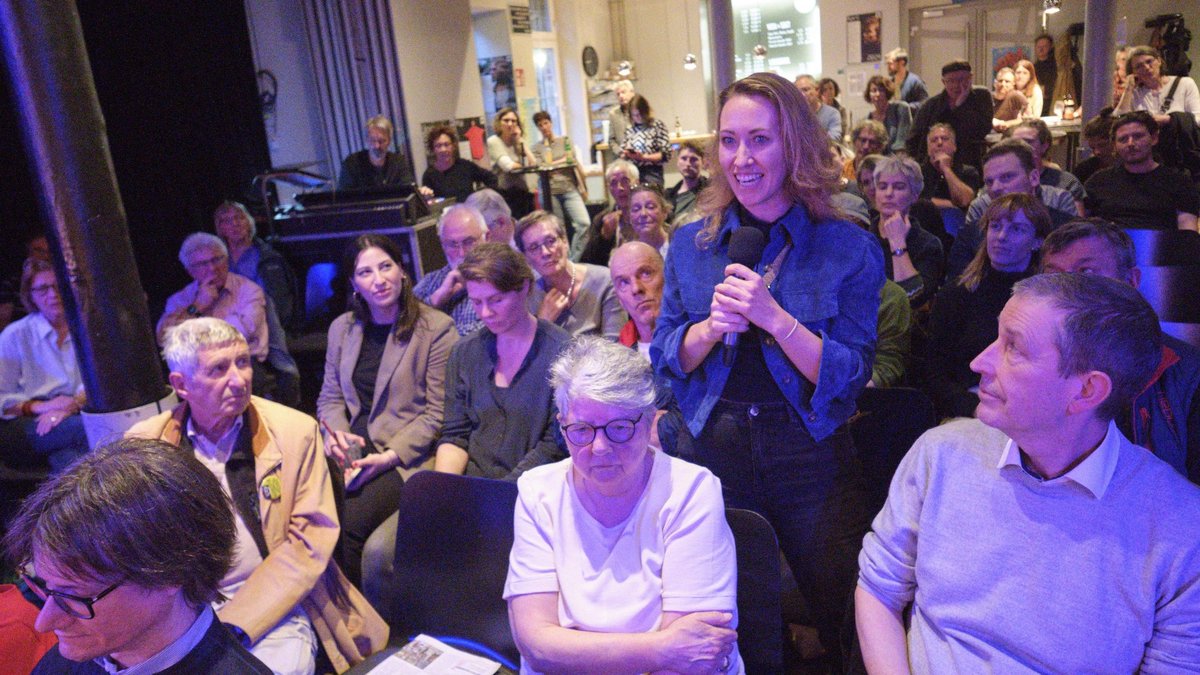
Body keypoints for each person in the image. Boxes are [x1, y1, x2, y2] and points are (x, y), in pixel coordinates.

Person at [653, 72, 884, 667]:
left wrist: (775, 320)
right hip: (715, 448)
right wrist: (708, 330)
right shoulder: (689, 244)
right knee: (739, 615)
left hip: (806, 449)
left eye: (759, 139)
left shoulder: (848, 246)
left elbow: (853, 373)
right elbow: (663, 358)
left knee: (842, 605)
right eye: (728, 141)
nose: (741, 158)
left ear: (795, 144)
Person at [857, 273, 1200, 672]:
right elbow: (878, 588)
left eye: (1013, 347)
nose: (979, 362)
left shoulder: (1181, 527)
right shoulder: (942, 453)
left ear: (1086, 391)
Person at [129, 318, 388, 673]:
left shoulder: (294, 431)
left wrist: (233, 623)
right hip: (185, 607)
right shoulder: (145, 446)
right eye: (218, 369)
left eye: (243, 362)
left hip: (276, 601)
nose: (238, 380)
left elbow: (309, 542)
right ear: (181, 384)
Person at [504, 336, 741, 674]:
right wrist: (661, 647)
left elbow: (691, 660)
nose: (599, 447)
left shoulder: (691, 491)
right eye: (582, 430)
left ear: (648, 422)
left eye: (618, 428)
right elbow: (536, 644)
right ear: (562, 425)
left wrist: (568, 649)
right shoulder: (537, 491)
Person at [4, 437, 271, 674]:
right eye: (44, 587)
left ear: (169, 573)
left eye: (72, 597)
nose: (44, 622)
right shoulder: (62, 664)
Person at [317, 234, 458, 587]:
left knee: (346, 525)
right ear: (353, 283)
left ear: (402, 271)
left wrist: (389, 456)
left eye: (385, 266)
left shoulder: (436, 328)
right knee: (309, 517)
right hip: (351, 451)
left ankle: (366, 626)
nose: (378, 280)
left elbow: (437, 415)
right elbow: (330, 398)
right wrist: (335, 437)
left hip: (406, 456)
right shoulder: (341, 329)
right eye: (365, 272)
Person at [1041, 218, 1200, 484]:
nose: (1065, 290)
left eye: (1086, 274)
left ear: (1131, 280)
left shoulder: (1188, 373)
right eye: (1054, 276)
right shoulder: (1023, 364)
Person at [433, 242, 569, 480]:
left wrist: (500, 494)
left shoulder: (563, 351)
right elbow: (455, 435)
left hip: (536, 487)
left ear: (524, 287)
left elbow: (555, 444)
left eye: (496, 300)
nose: (485, 313)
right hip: (475, 487)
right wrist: (445, 488)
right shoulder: (464, 352)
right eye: (476, 302)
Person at [924, 193, 1051, 419]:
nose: (1001, 236)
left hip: (1030, 408)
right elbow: (934, 373)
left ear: (1037, 241)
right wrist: (973, 408)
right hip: (970, 408)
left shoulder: (1045, 300)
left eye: (1017, 229)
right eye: (995, 226)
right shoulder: (957, 295)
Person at [158, 233, 298, 404]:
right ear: (190, 270)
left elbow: (238, 335)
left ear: (227, 260)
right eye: (202, 264)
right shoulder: (182, 299)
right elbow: (164, 339)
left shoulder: (249, 290)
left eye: (217, 259)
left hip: (244, 359)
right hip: (200, 363)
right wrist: (197, 307)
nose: (212, 268)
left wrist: (191, 332)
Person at [0, 258, 88, 472]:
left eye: (59, 286)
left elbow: (100, 381)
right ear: (30, 295)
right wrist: (45, 407)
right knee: (90, 428)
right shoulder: (15, 335)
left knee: (68, 460)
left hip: (76, 410)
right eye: (43, 289)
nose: (53, 295)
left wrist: (71, 405)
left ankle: (89, 505)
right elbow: (2, 399)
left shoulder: (85, 328)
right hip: (24, 421)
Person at [948, 139, 1079, 279]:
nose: (995, 188)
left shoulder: (1067, 231)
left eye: (1006, 177)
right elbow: (956, 290)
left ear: (1034, 178)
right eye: (989, 182)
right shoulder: (972, 234)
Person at [213, 203, 300, 406]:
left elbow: (281, 299)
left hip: (267, 318)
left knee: (286, 370)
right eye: (227, 220)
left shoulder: (267, 255)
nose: (234, 224)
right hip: (230, 321)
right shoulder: (217, 259)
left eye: (239, 218)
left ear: (249, 222)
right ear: (220, 228)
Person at [1084, 110, 1200, 231]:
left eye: (1138, 136)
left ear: (1154, 138)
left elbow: (1188, 234)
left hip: (1162, 247)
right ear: (1115, 146)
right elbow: (1082, 229)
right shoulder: (1098, 182)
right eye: (1123, 139)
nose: (1130, 143)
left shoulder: (1178, 182)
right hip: (1110, 247)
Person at [517, 211, 625, 340]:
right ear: (526, 258)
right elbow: (527, 355)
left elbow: (616, 348)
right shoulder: (526, 294)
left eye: (550, 241)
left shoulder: (604, 281)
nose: (545, 252)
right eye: (534, 247)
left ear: (565, 241)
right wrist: (543, 323)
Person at [871, 156, 944, 309]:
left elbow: (911, 299)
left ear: (914, 195)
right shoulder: (862, 237)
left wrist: (897, 242)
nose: (888, 193)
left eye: (898, 187)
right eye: (882, 186)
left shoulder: (928, 244)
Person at [412, 204, 488, 335]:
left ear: (487, 237)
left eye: (469, 241)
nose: (462, 252)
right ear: (442, 245)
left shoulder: (502, 280)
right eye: (452, 244)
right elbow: (401, 330)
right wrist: (434, 301)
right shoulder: (430, 283)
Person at [907, 60, 994, 168]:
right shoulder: (931, 105)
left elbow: (983, 129)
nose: (957, 85)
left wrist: (960, 104)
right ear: (943, 82)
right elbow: (913, 139)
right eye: (951, 81)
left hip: (969, 163)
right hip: (932, 164)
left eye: (962, 80)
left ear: (971, 78)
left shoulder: (981, 96)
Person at [531, 110, 590, 243]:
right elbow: (542, 168)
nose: (544, 127)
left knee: (584, 223)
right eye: (540, 125)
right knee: (558, 230)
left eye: (545, 123)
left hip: (569, 188)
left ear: (551, 123)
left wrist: (552, 164)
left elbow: (571, 160)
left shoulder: (565, 141)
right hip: (549, 191)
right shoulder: (536, 148)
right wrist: (561, 161)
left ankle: (573, 259)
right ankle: (564, 260)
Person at [1008, 118, 1087, 212]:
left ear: (1044, 146)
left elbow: (1078, 225)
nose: (1020, 146)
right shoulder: (998, 180)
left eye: (1028, 142)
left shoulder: (1067, 182)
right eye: (1015, 142)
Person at [1115, 45, 1200, 124]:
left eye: (1149, 61)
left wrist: (1169, 119)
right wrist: (1128, 88)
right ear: (1133, 72)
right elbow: (1118, 120)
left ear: (1159, 61)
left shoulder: (1185, 84)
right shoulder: (1135, 94)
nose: (1147, 67)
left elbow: (1198, 119)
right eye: (1139, 66)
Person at [574, 160, 638, 265]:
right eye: (613, 183)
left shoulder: (648, 214)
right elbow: (588, 263)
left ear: (637, 183)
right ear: (609, 188)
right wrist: (604, 237)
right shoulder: (601, 219)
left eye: (625, 181)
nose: (620, 188)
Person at [419, 125, 497, 203]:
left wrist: (481, 198)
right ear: (433, 149)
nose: (443, 149)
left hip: (470, 213)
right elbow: (429, 204)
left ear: (453, 146)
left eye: (447, 144)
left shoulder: (465, 166)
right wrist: (427, 196)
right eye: (438, 146)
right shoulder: (429, 175)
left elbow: (491, 178)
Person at [337, 115, 414, 191]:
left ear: (389, 141)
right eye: (373, 140)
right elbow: (344, 197)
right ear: (366, 140)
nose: (377, 146)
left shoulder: (398, 162)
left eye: (382, 141)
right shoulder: (351, 163)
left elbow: (409, 189)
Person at [487, 107, 538, 219]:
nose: (510, 124)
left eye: (513, 121)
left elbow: (534, 164)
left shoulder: (518, 141)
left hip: (524, 193)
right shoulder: (494, 141)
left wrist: (520, 141)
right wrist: (523, 166)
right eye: (506, 120)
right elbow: (509, 166)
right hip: (506, 195)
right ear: (499, 123)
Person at [919, 123, 981, 209]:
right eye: (934, 140)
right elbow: (913, 201)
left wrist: (946, 169)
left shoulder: (968, 172)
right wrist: (952, 205)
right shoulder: (918, 173)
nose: (939, 143)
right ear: (928, 149)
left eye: (944, 139)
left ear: (954, 146)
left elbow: (965, 201)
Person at [619, 94, 672, 186]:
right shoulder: (630, 128)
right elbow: (623, 151)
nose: (637, 118)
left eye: (640, 114)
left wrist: (643, 157)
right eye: (634, 115)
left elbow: (665, 154)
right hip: (633, 172)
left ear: (646, 111)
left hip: (652, 172)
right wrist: (627, 153)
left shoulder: (657, 125)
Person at [864, 75, 912, 153]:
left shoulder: (901, 109)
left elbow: (901, 143)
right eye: (874, 90)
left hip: (897, 160)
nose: (877, 94)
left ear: (887, 92)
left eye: (881, 90)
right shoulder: (868, 119)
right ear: (869, 94)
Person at [665, 140, 708, 226]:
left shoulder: (710, 190)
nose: (688, 164)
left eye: (693, 159)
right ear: (677, 161)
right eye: (684, 158)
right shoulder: (668, 195)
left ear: (702, 162)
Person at [626, 184, 671, 257]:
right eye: (636, 209)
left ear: (664, 212)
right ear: (629, 217)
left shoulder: (677, 248)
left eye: (650, 207)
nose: (643, 214)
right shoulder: (627, 254)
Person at [795, 74, 843, 141]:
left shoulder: (832, 113)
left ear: (817, 90)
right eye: (798, 92)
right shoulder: (794, 114)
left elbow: (834, 138)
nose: (802, 95)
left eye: (806, 90)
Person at [1073, 113, 1117, 185]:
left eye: (1102, 145)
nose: (1097, 152)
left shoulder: (1133, 167)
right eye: (1092, 148)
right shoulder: (1084, 170)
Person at [606, 79, 635, 163]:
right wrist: (620, 152)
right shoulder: (613, 114)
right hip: (621, 159)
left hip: (639, 158)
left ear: (632, 92)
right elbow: (611, 140)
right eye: (618, 94)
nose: (621, 96)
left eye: (623, 92)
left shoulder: (639, 111)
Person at [1033, 33, 1057, 116]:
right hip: (1038, 104)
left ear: (1050, 47)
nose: (1041, 49)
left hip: (1053, 103)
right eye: (1038, 47)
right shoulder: (1033, 67)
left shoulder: (1057, 66)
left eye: (1044, 46)